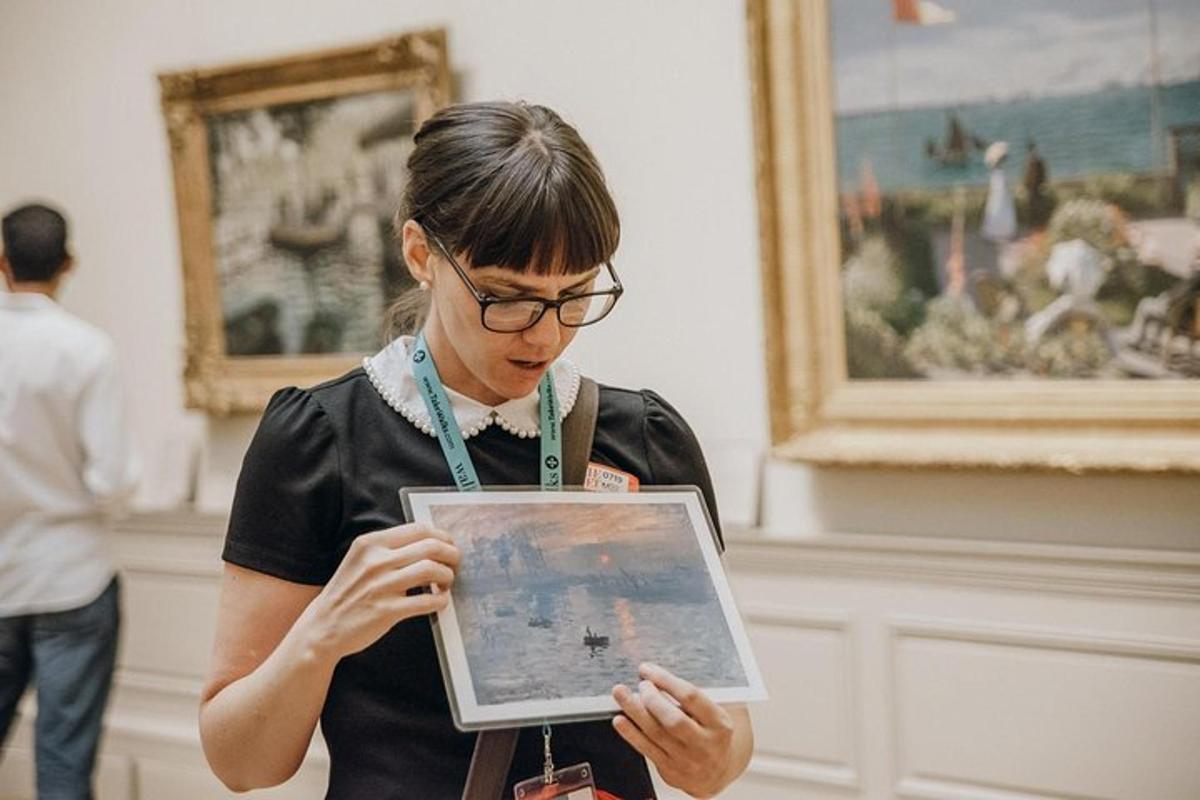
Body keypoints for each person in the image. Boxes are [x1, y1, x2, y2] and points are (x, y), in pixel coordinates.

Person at [200, 101, 754, 799]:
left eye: (575, 294)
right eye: (505, 298)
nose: (544, 335)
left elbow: (728, 737)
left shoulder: (643, 435)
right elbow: (241, 764)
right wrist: (324, 631)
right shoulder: (320, 440)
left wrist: (713, 758)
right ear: (420, 255)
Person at [0, 202, 137, 798]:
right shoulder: (86, 349)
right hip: (73, 577)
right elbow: (112, 482)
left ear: (1, 261)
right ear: (68, 263)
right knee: (63, 763)